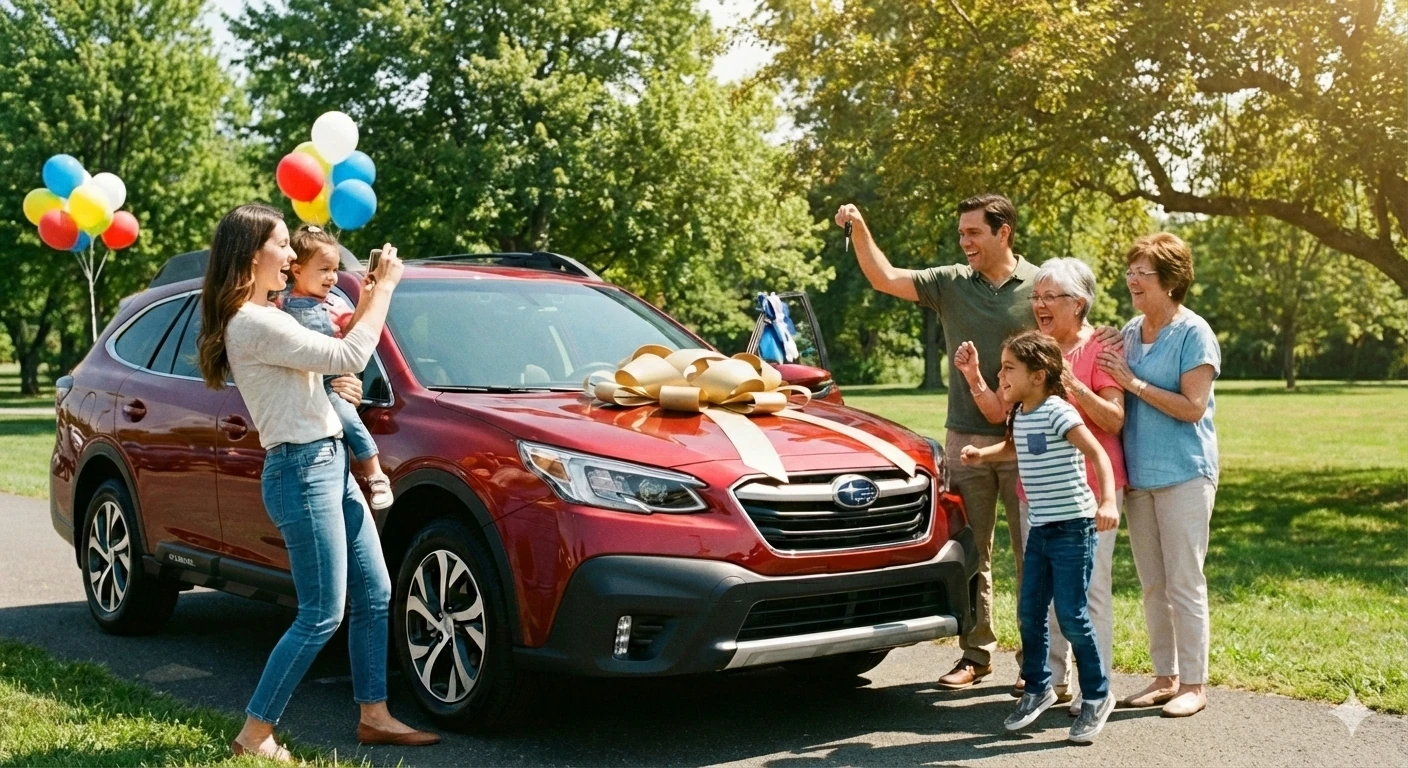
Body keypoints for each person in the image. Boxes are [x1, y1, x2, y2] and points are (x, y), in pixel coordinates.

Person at [196, 204, 438, 760]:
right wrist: (383, 291)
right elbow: (350, 352)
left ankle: (374, 715)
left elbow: (328, 371)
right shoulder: (252, 322)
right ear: (252, 254)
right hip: (302, 473)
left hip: (330, 462)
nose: (289, 256)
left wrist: (335, 389)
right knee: (322, 612)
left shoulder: (272, 313)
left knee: (375, 593)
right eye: (282, 245)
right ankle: (254, 734)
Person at [836, 194, 1039, 691]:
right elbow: (884, 277)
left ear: (1003, 232)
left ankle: (1038, 662)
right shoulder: (949, 282)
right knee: (975, 554)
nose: (964, 242)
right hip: (966, 438)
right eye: (962, 233)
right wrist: (860, 225)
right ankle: (976, 653)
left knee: (1034, 553)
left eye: (974, 233)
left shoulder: (1039, 285)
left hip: (1028, 439)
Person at [951, 257, 1126, 714]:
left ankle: (1096, 687)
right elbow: (1003, 417)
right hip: (1038, 497)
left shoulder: (1101, 349)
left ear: (1079, 303)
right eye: (1037, 296)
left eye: (1051, 296)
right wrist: (973, 378)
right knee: (1043, 593)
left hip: (1087, 496)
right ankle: (1048, 682)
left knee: (1088, 593)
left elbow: (1113, 419)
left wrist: (1073, 386)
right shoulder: (1033, 351)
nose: (1039, 304)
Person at [1097, 232, 1220, 718]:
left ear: (1170, 281)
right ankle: (1165, 677)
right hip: (1140, 477)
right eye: (1129, 272)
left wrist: (1135, 383)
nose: (1131, 280)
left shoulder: (1194, 333)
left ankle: (1194, 683)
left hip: (1185, 475)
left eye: (1141, 273)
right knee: (1152, 584)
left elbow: (1192, 408)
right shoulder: (1129, 331)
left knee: (1184, 582)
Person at [281, 224, 393, 510]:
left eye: (334, 270)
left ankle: (375, 474)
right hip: (299, 386)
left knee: (346, 414)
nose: (332, 277)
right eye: (324, 270)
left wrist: (367, 299)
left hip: (330, 381)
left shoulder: (333, 304)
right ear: (297, 269)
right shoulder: (280, 307)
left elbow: (353, 339)